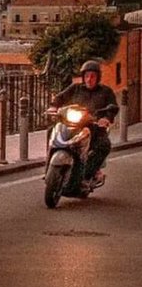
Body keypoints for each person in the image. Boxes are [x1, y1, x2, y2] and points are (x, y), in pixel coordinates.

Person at [51, 59, 119, 193]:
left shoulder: (105, 91)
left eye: (93, 76)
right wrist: (53, 107)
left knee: (104, 145)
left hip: (94, 128)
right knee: (52, 131)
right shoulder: (75, 88)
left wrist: (106, 118)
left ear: (98, 77)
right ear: (83, 76)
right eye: (87, 76)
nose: (89, 79)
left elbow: (113, 108)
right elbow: (60, 97)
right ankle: (49, 164)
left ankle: (86, 175)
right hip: (73, 125)